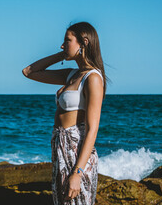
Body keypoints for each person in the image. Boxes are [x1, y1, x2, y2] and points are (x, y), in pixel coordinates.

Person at [22, 22, 107, 204]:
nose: (62, 45)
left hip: (77, 153)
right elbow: (29, 72)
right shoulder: (71, 74)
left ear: (84, 42)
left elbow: (92, 129)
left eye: (67, 41)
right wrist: (64, 53)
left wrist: (78, 172)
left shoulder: (92, 78)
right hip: (60, 149)